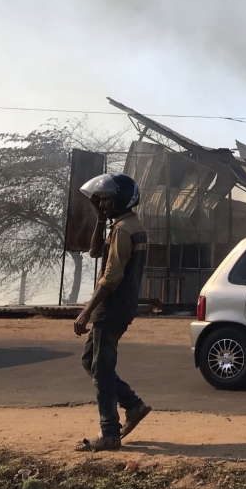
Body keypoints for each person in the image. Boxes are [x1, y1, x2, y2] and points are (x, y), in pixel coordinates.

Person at [73, 173, 152, 452]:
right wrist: (98, 218)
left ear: (119, 199)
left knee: (102, 370)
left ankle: (109, 433)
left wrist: (86, 311)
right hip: (120, 306)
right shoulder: (126, 226)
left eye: (105, 199)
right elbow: (95, 251)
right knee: (90, 362)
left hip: (112, 306)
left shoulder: (123, 231)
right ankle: (133, 405)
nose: (102, 203)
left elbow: (111, 277)